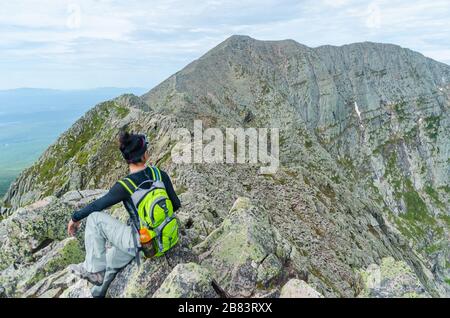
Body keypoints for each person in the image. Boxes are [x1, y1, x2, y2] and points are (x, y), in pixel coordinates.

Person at [67, 131, 181, 297]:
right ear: (144, 154)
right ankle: (96, 293)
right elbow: (176, 205)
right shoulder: (159, 175)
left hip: (142, 243)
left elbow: (98, 205)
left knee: (94, 219)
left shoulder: (125, 186)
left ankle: (93, 272)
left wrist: (75, 217)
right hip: (166, 237)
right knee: (111, 261)